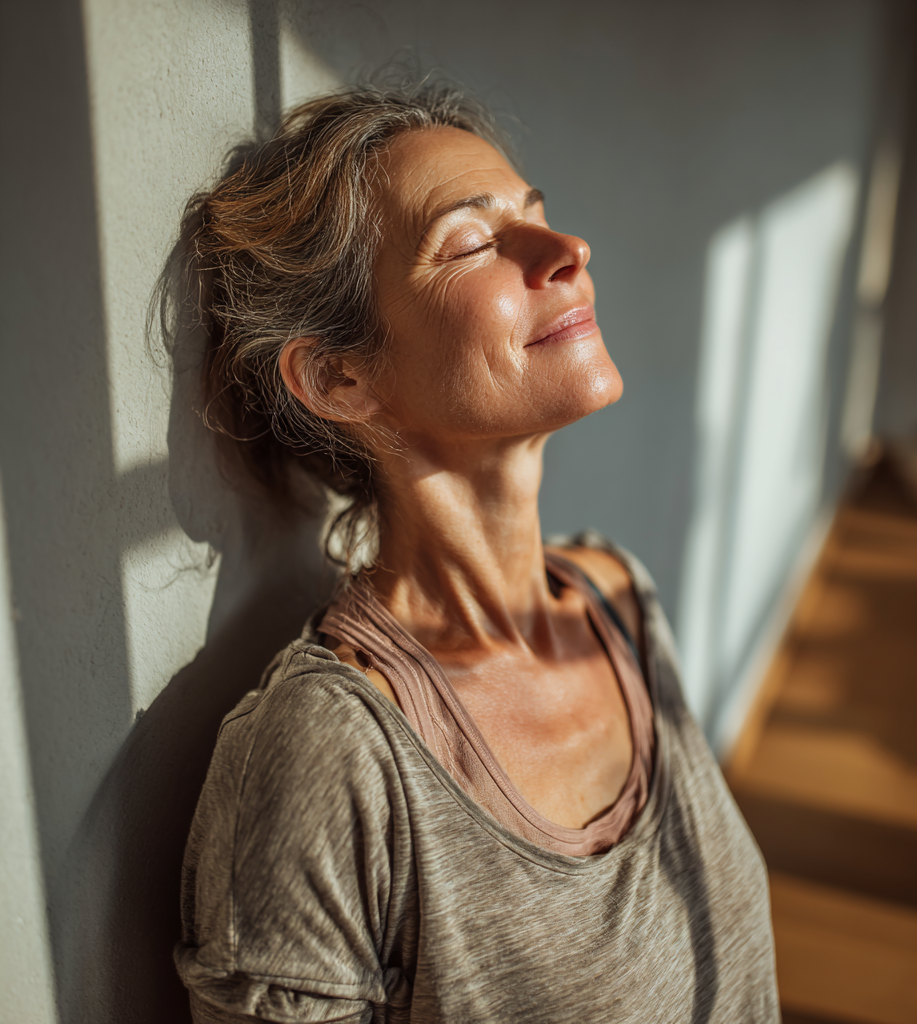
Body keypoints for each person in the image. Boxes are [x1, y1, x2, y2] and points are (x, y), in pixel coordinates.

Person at [174, 80, 779, 1023]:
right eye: (473, 241)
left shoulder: (618, 598)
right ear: (340, 377)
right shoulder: (332, 757)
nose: (567, 251)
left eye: (537, 216)